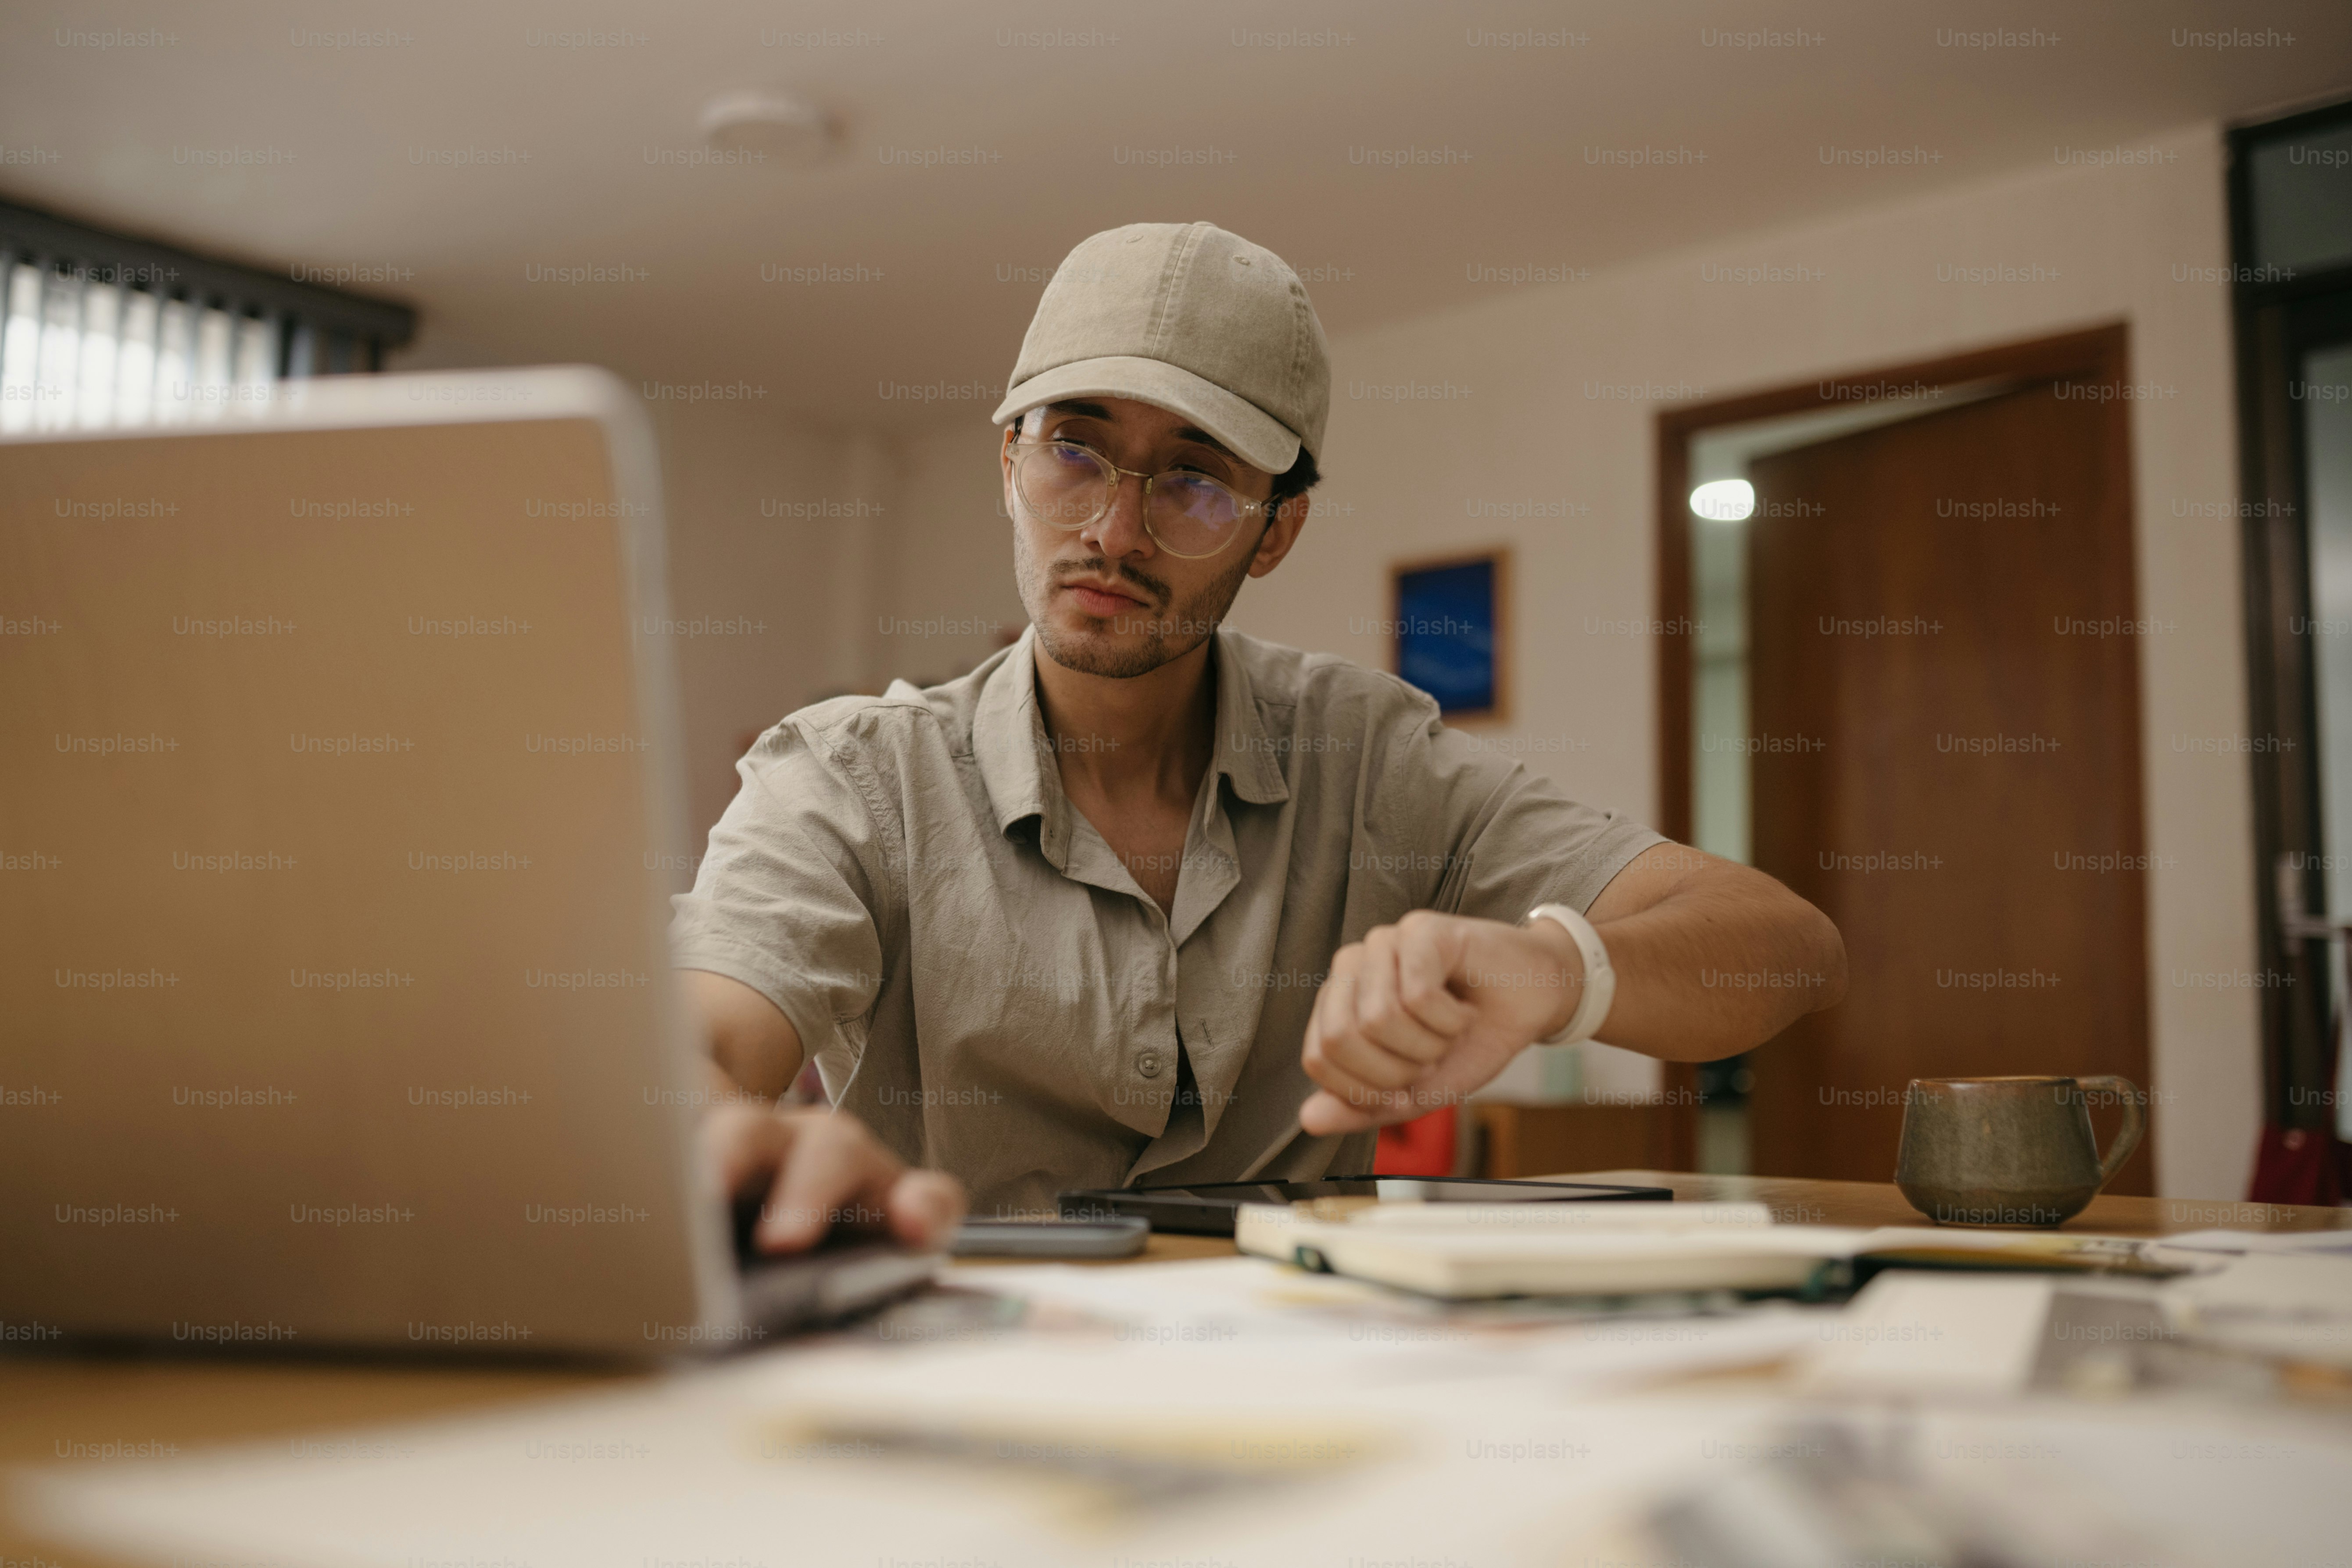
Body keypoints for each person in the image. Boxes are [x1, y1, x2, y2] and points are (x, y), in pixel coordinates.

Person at [675, 221, 1846, 1255]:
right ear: (1008, 460)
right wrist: (714, 1128)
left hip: (1310, 1389)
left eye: (1192, 482)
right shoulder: (847, 774)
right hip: (946, 1374)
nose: (1114, 531)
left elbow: (1784, 947)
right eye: (1073, 451)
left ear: (1274, 532)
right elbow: (708, 1036)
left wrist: (1551, 971)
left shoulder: (1371, 756)